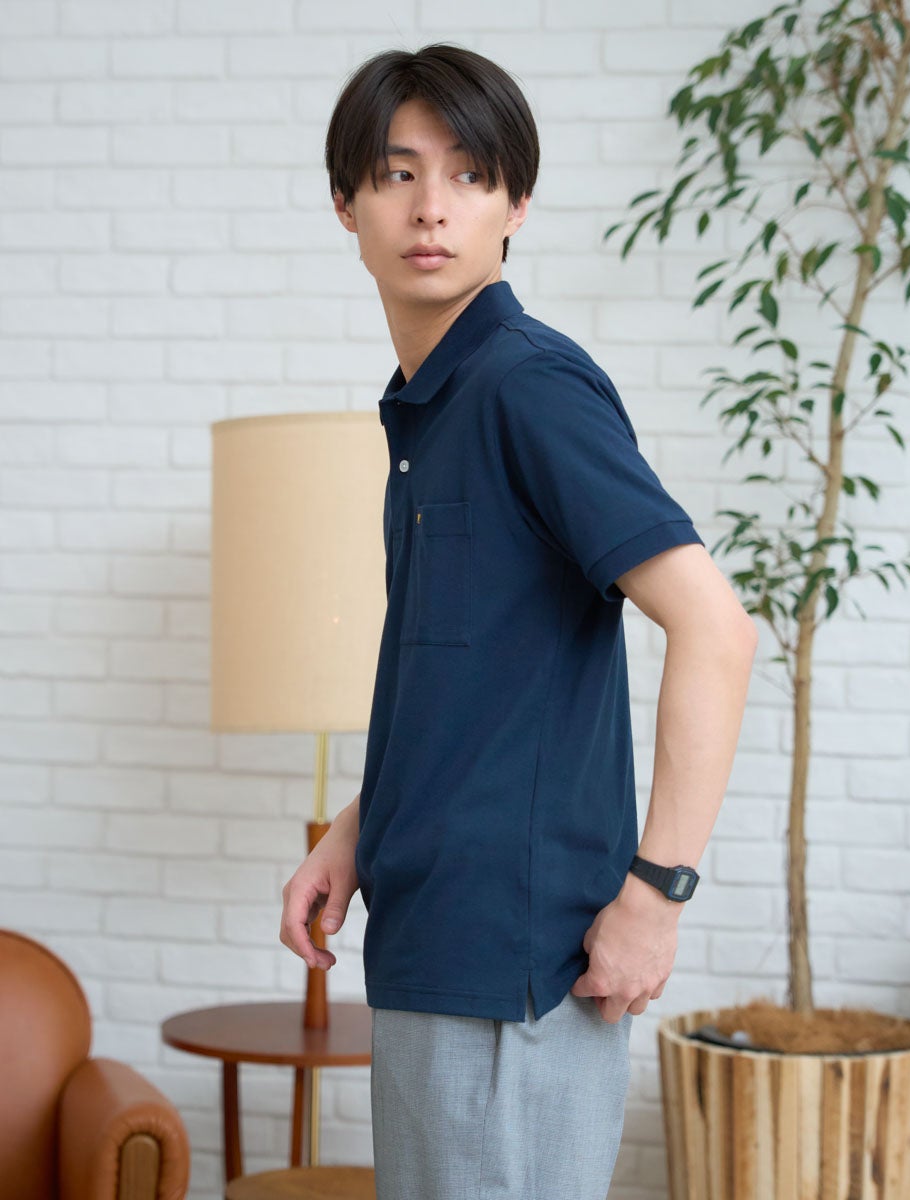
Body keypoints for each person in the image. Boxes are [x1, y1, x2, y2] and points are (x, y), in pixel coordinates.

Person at [280, 43, 757, 1200]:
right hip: (433, 944)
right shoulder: (433, 406)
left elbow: (716, 627)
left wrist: (656, 896)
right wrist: (357, 830)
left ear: (517, 205)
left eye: (469, 174)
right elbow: (476, 681)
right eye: (398, 174)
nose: (431, 208)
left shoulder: (525, 387)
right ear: (345, 204)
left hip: (517, 969)